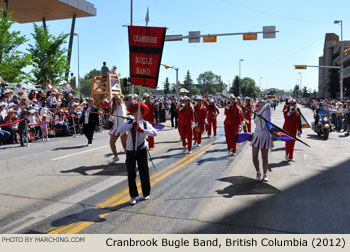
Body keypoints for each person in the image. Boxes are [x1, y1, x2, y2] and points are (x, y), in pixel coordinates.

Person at [115, 101, 157, 205]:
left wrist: (143, 131)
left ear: (142, 113)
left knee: (144, 172)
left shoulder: (145, 123)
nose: (136, 114)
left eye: (139, 112)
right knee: (131, 173)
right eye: (135, 112)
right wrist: (131, 126)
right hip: (130, 150)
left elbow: (154, 133)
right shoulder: (129, 122)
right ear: (133, 113)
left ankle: (146, 192)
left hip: (141, 149)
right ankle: (133, 195)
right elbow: (119, 130)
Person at [250, 100, 273, 182]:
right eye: (259, 105)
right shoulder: (256, 113)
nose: (260, 107)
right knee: (254, 156)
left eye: (262, 105)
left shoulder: (267, 113)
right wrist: (258, 114)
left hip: (265, 135)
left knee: (264, 157)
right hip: (256, 135)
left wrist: (261, 112)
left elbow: (268, 104)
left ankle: (265, 174)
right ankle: (258, 172)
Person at [109, 95, 127, 163]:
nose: (117, 101)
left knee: (124, 145)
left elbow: (123, 114)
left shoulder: (122, 106)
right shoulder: (115, 107)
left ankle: (128, 158)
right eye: (116, 100)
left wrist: (123, 116)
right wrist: (111, 118)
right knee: (111, 142)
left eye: (118, 99)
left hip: (122, 127)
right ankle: (116, 156)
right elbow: (114, 118)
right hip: (116, 127)